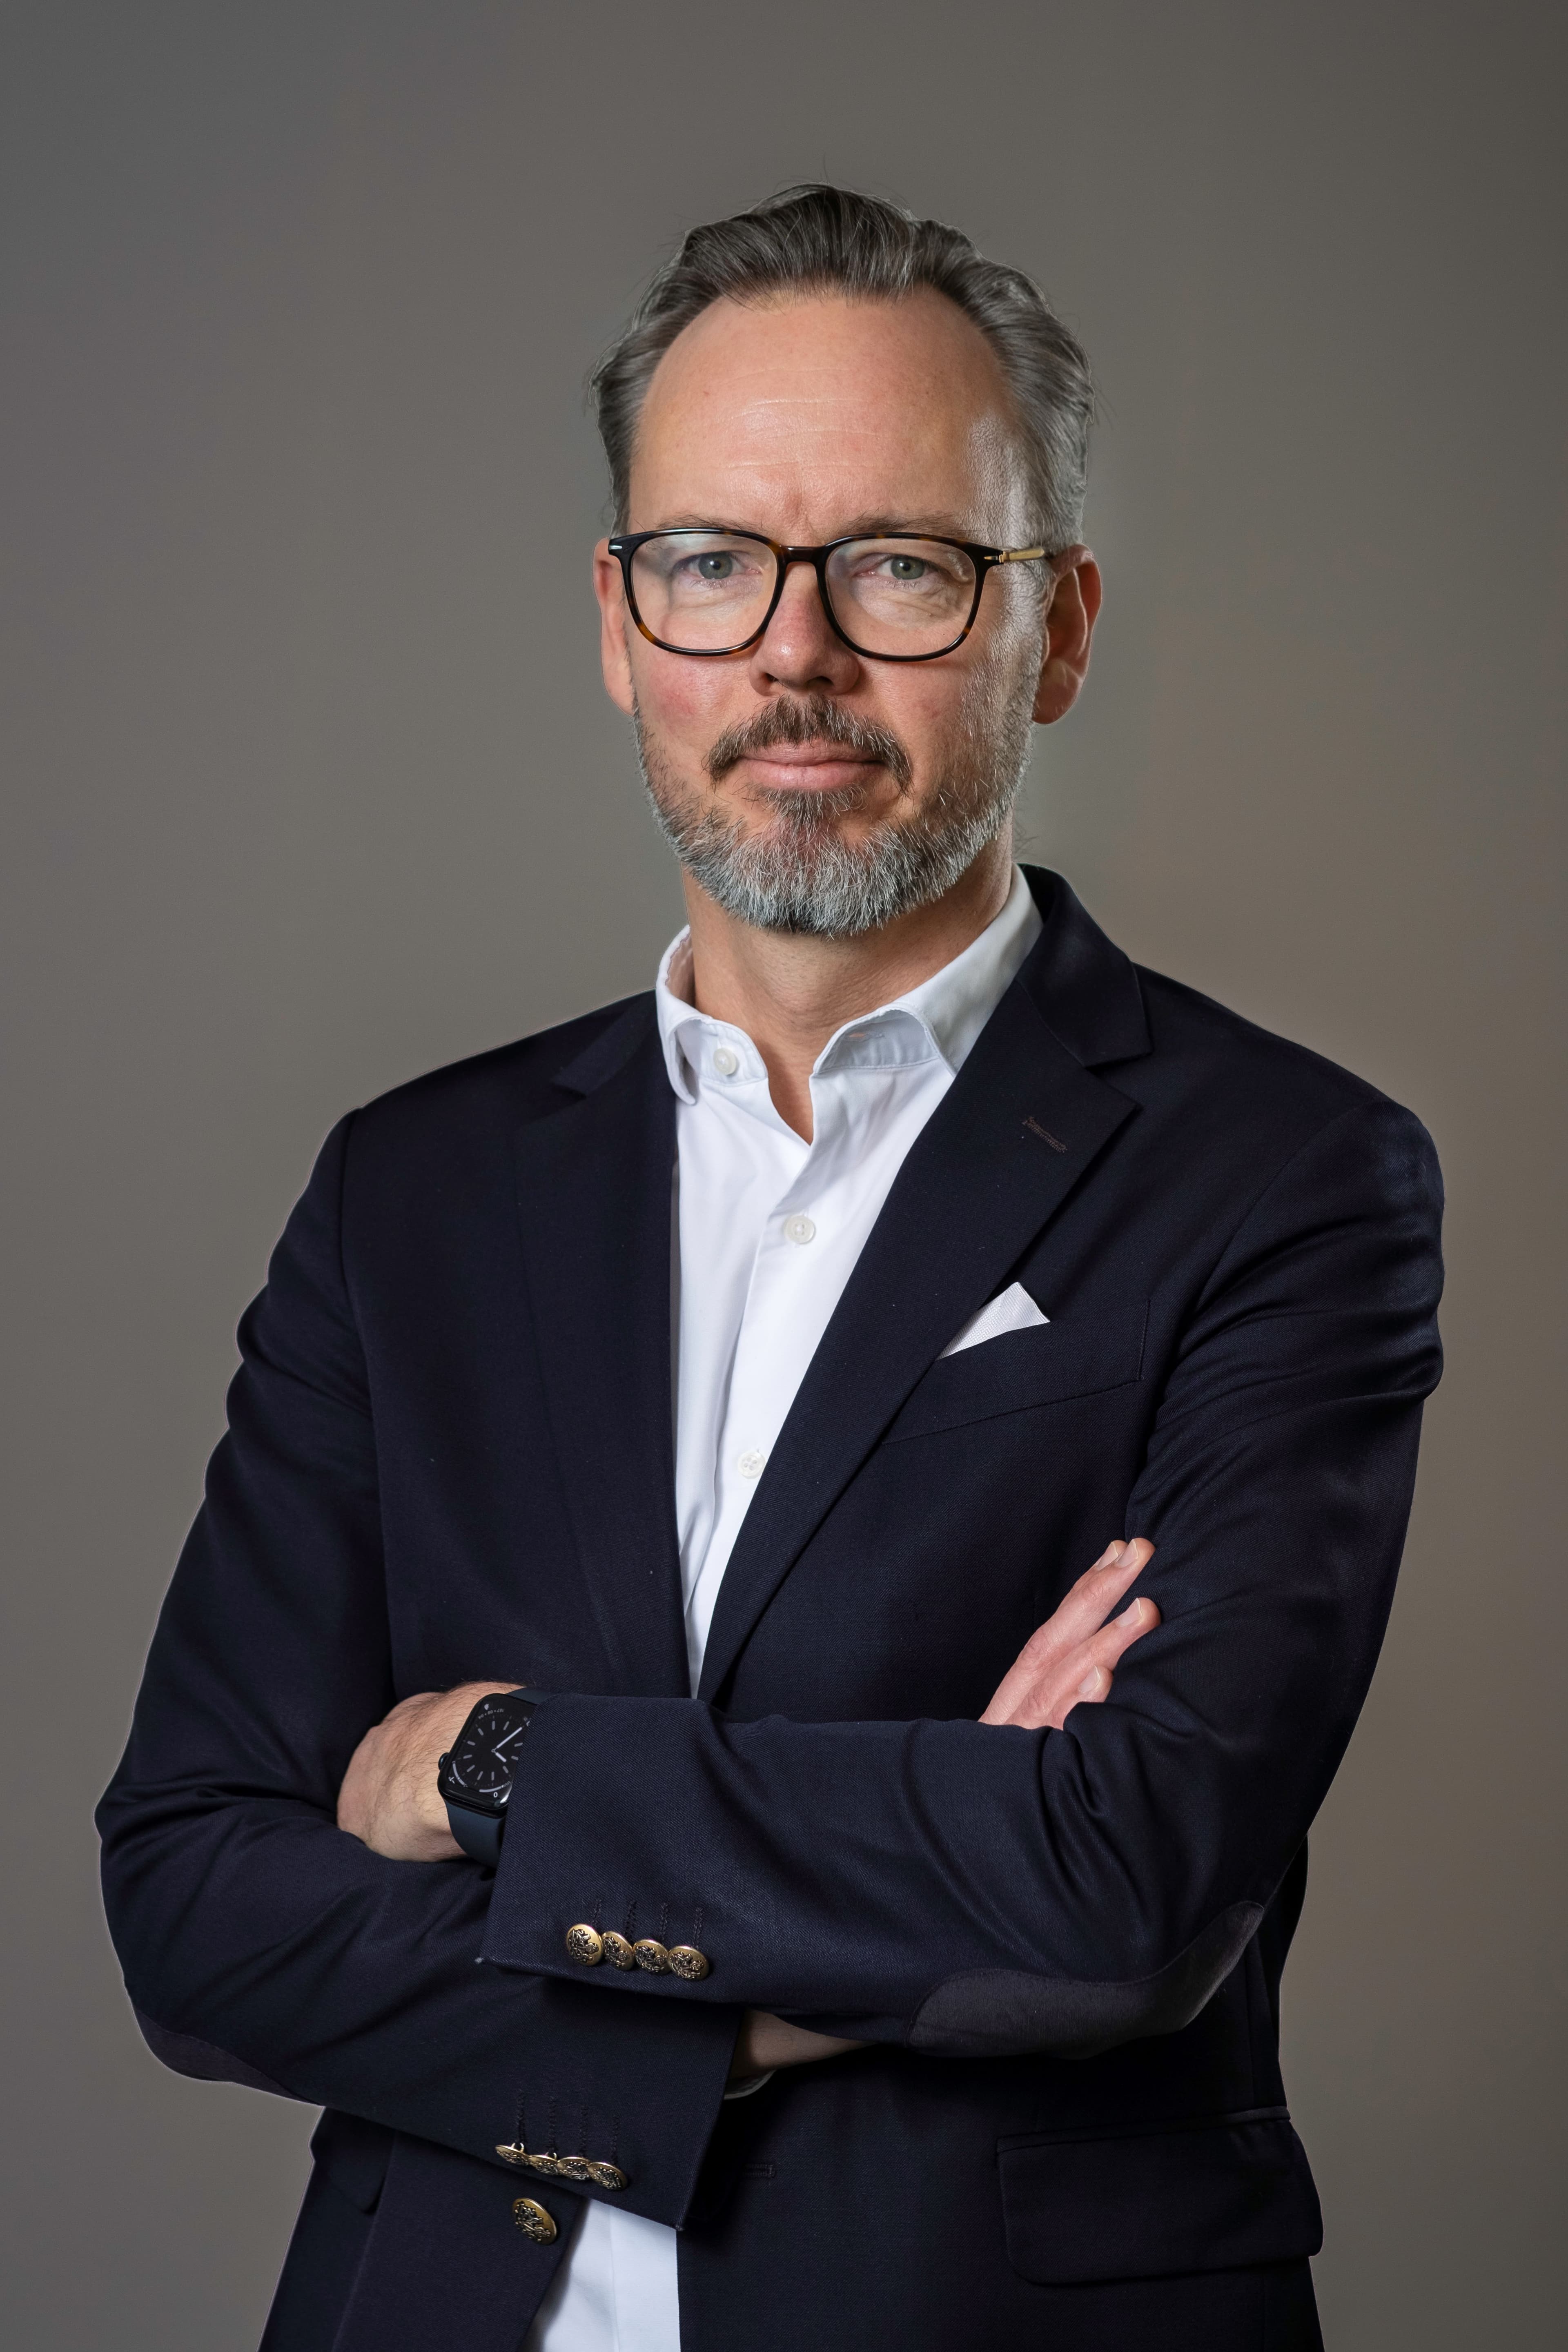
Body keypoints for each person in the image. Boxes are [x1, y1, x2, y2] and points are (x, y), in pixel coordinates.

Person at [99, 185, 1443, 2352]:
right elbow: (196, 1902)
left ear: (1057, 630)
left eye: (901, 565)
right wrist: (771, 1993)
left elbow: (1118, 1887)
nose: (793, 654)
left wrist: (499, 1768)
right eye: (714, 561)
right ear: (621, 623)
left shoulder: (1284, 1177)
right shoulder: (410, 1190)